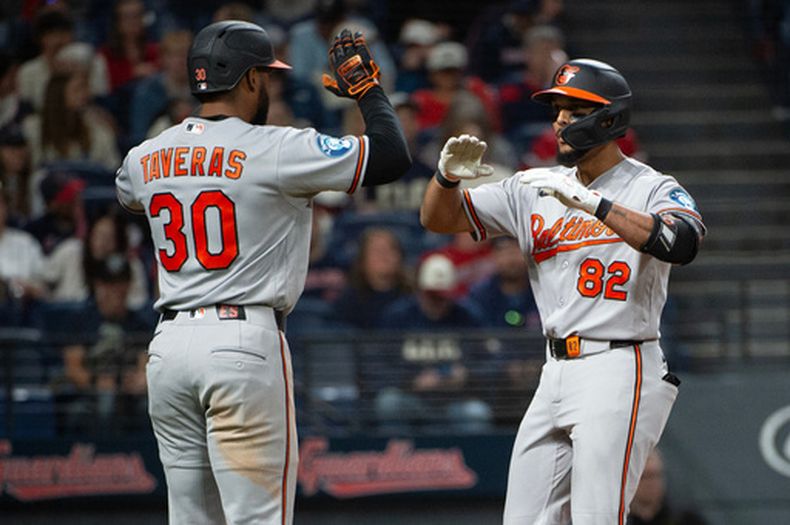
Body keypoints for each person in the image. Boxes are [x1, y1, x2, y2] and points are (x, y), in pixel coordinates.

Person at [115, 21, 410, 524]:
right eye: (265, 76)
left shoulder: (145, 156)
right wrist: (367, 90)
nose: (269, 86)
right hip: (240, 343)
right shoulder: (275, 148)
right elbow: (390, 155)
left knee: (189, 517)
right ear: (250, 80)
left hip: (168, 349)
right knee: (259, 518)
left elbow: (130, 198)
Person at [419, 58, 706, 524]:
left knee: (596, 517)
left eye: (573, 111)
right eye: (557, 111)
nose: (559, 122)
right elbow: (438, 218)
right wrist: (446, 178)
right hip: (554, 369)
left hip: (619, 363)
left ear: (608, 119)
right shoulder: (536, 187)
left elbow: (682, 242)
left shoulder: (651, 186)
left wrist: (596, 204)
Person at [628, 448, 709, 525]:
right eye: (646, 477)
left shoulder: (685, 519)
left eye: (657, 475)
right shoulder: (620, 518)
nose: (651, 483)